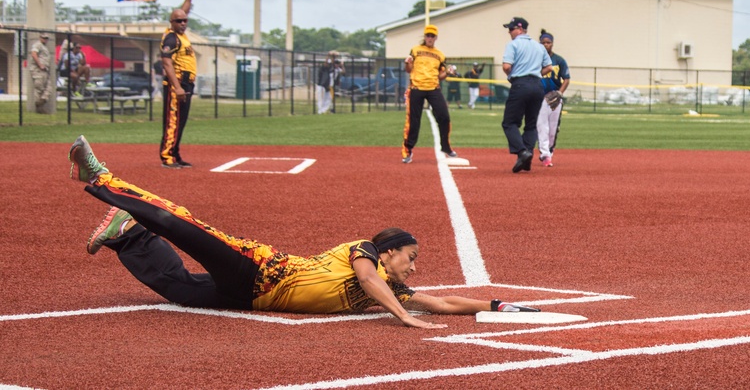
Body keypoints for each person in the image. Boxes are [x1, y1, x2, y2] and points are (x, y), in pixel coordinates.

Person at [68, 136, 538, 328]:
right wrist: (401, 315)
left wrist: (497, 305)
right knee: (180, 225)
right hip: (258, 266)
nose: (412, 266)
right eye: (409, 257)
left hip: (249, 298)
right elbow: (373, 282)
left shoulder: (391, 283)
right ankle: (101, 174)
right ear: (389, 249)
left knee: (176, 288)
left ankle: (127, 234)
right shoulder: (365, 252)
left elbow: (442, 302)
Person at [500, 17, 552, 173]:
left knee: (510, 123)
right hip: (537, 85)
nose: (509, 32)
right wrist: (535, 73)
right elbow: (549, 68)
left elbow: (506, 66)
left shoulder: (513, 44)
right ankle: (527, 154)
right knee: (531, 124)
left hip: (520, 84)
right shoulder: (539, 46)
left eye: (511, 29)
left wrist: (513, 73)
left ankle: (522, 152)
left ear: (519, 29)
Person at [401, 24, 458, 163]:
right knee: (414, 121)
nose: (430, 38)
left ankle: (446, 147)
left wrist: (448, 72)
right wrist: (407, 63)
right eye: (428, 35)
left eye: (432, 36)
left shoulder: (440, 54)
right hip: (416, 87)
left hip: (433, 88)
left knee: (444, 117)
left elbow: (441, 76)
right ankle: (407, 150)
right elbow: (408, 69)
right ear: (424, 36)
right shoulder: (415, 50)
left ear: (436, 38)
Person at [160, 0, 197, 169]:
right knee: (173, 121)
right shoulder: (171, 37)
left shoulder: (181, 34)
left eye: (185, 21)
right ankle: (167, 157)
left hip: (187, 83)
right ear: (171, 22)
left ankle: (175, 153)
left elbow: (183, 10)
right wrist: (177, 86)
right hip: (178, 82)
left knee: (180, 122)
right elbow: (166, 62)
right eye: (179, 21)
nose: (183, 23)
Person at [536, 29, 571, 167]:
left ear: (552, 44)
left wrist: (560, 93)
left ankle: (550, 150)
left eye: (548, 42)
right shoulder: (536, 59)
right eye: (543, 42)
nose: (546, 45)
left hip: (555, 97)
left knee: (553, 128)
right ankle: (545, 154)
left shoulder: (559, 60)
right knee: (541, 126)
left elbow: (566, 79)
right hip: (540, 97)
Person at [29, 32, 52, 112]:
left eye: (46, 38)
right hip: (38, 70)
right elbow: (34, 54)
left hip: (45, 70)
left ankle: (40, 103)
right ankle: (39, 109)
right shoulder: (37, 44)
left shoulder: (44, 47)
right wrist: (40, 64)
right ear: (40, 38)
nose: (45, 40)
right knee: (39, 88)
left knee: (49, 88)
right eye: (43, 38)